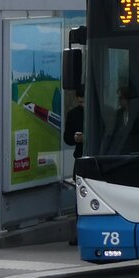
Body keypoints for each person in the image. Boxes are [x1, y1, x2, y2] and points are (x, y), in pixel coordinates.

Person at [101, 85, 139, 153]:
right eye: (118, 98)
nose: (119, 100)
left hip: (137, 151)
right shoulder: (117, 114)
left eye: (121, 98)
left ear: (128, 98)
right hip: (120, 151)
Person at [63, 89, 84, 245]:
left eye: (85, 102)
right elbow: (67, 138)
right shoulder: (73, 114)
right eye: (81, 102)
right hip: (80, 157)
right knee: (80, 196)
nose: (83, 105)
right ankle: (80, 231)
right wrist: (75, 138)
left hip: (97, 156)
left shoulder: (103, 111)